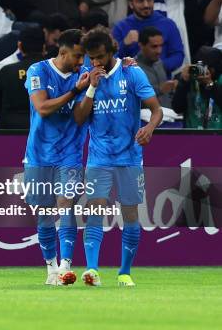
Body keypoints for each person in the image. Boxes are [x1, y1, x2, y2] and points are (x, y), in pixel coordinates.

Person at [74, 28, 163, 287]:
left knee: (131, 215)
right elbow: (79, 118)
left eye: (100, 56)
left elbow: (155, 110)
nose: (96, 63)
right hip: (99, 158)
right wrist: (91, 88)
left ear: (113, 51)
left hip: (129, 157)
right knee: (94, 212)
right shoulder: (88, 77)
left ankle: (125, 272)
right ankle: (92, 270)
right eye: (92, 58)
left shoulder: (131, 72)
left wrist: (149, 127)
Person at [23, 29, 90, 286]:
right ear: (62, 52)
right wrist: (75, 91)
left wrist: (127, 65)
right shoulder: (37, 71)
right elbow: (42, 108)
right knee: (44, 214)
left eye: (83, 56)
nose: (80, 61)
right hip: (39, 154)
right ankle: (51, 268)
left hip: (70, 153)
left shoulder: (83, 76)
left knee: (66, 207)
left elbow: (80, 116)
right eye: (77, 56)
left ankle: (65, 267)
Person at [112, 0, 184, 76]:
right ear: (131, 4)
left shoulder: (168, 24)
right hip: (131, 86)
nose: (146, 5)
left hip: (162, 84)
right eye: (140, 1)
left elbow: (178, 55)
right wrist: (124, 44)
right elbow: (111, 61)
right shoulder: (120, 28)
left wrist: (156, 67)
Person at [0, 26, 45, 128]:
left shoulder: (6, 71)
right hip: (44, 130)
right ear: (44, 47)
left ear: (20, 46)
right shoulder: (55, 72)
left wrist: (4, 119)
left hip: (9, 130)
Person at [172, 46, 222, 129]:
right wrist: (183, 82)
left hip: (218, 136)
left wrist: (210, 84)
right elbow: (177, 108)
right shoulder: (190, 79)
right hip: (192, 135)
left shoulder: (220, 80)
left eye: (207, 66)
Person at [136, 26, 176, 108]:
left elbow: (167, 95)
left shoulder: (159, 63)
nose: (159, 51)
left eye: (161, 46)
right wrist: (159, 90)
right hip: (146, 119)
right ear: (141, 46)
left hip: (169, 116)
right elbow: (133, 101)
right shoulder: (132, 69)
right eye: (154, 46)